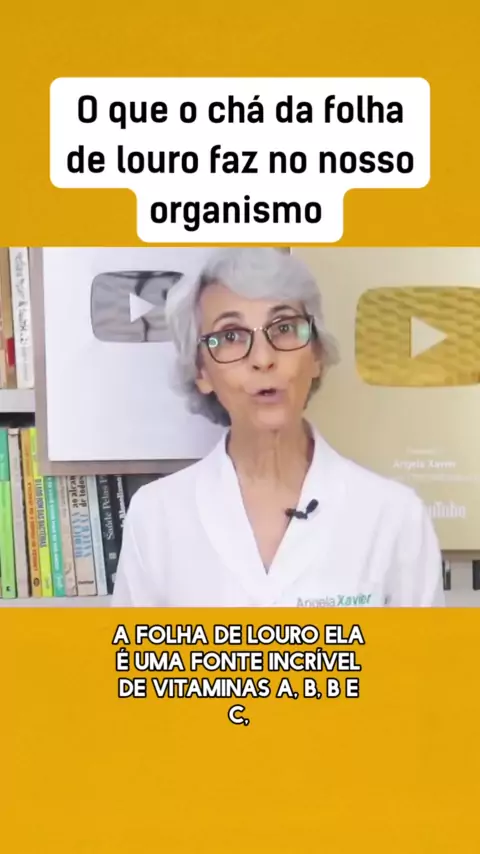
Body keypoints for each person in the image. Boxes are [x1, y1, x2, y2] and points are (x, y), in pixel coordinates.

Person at [112, 248, 445, 608]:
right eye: (231, 336)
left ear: (316, 356)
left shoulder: (396, 517)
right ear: (202, 372)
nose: (263, 358)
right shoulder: (155, 516)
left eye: (284, 328)